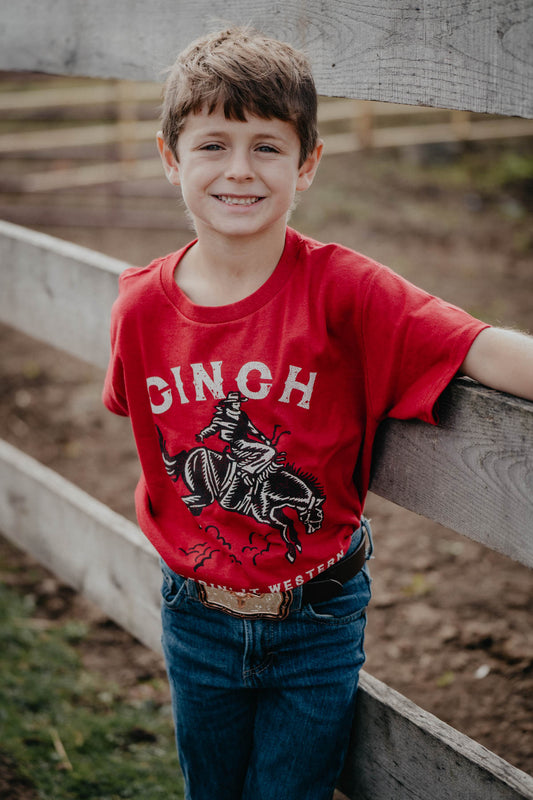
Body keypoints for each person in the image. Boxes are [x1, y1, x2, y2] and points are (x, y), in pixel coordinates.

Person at [102, 26, 533, 800]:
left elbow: (476, 345)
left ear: (306, 164)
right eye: (212, 145)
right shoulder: (139, 308)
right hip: (194, 612)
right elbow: (156, 425)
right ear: (171, 158)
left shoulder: (345, 290)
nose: (240, 169)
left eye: (266, 146)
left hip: (316, 617)